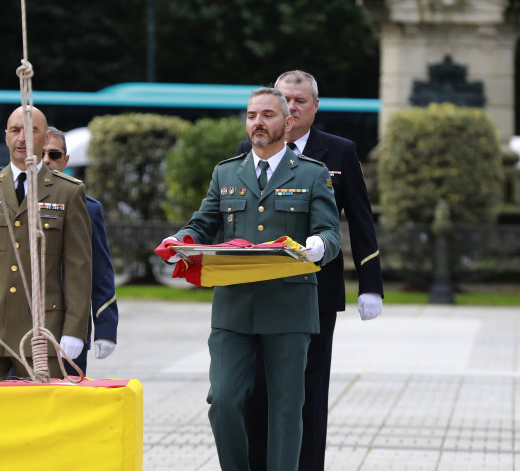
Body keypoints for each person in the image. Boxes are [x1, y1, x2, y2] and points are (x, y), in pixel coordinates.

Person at [164, 87, 341, 471]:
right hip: (234, 307)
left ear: (288, 122)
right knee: (224, 401)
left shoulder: (312, 174)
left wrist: (316, 246)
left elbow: (331, 235)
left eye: (267, 115)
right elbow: (201, 224)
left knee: (286, 407)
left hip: (289, 307)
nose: (257, 123)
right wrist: (181, 240)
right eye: (250, 115)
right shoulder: (226, 172)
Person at [236, 71, 384, 470]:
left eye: (302, 101)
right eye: (287, 99)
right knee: (258, 391)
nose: (293, 107)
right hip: (260, 291)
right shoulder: (251, 147)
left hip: (316, 292)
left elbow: (360, 219)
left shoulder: (337, 151)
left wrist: (370, 284)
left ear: (315, 107)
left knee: (308, 391)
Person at [0, 105, 92, 380]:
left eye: (31, 131)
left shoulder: (68, 192)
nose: (22, 139)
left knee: (39, 418)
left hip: (43, 332)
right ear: (6, 136)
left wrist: (74, 330)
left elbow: (79, 268)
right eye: (15, 130)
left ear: (44, 138)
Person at [42, 126, 118, 375]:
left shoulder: (88, 208)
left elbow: (99, 270)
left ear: (66, 160)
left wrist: (105, 327)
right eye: (41, 153)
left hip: (68, 328)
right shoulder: (8, 202)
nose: (46, 161)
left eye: (54, 155)